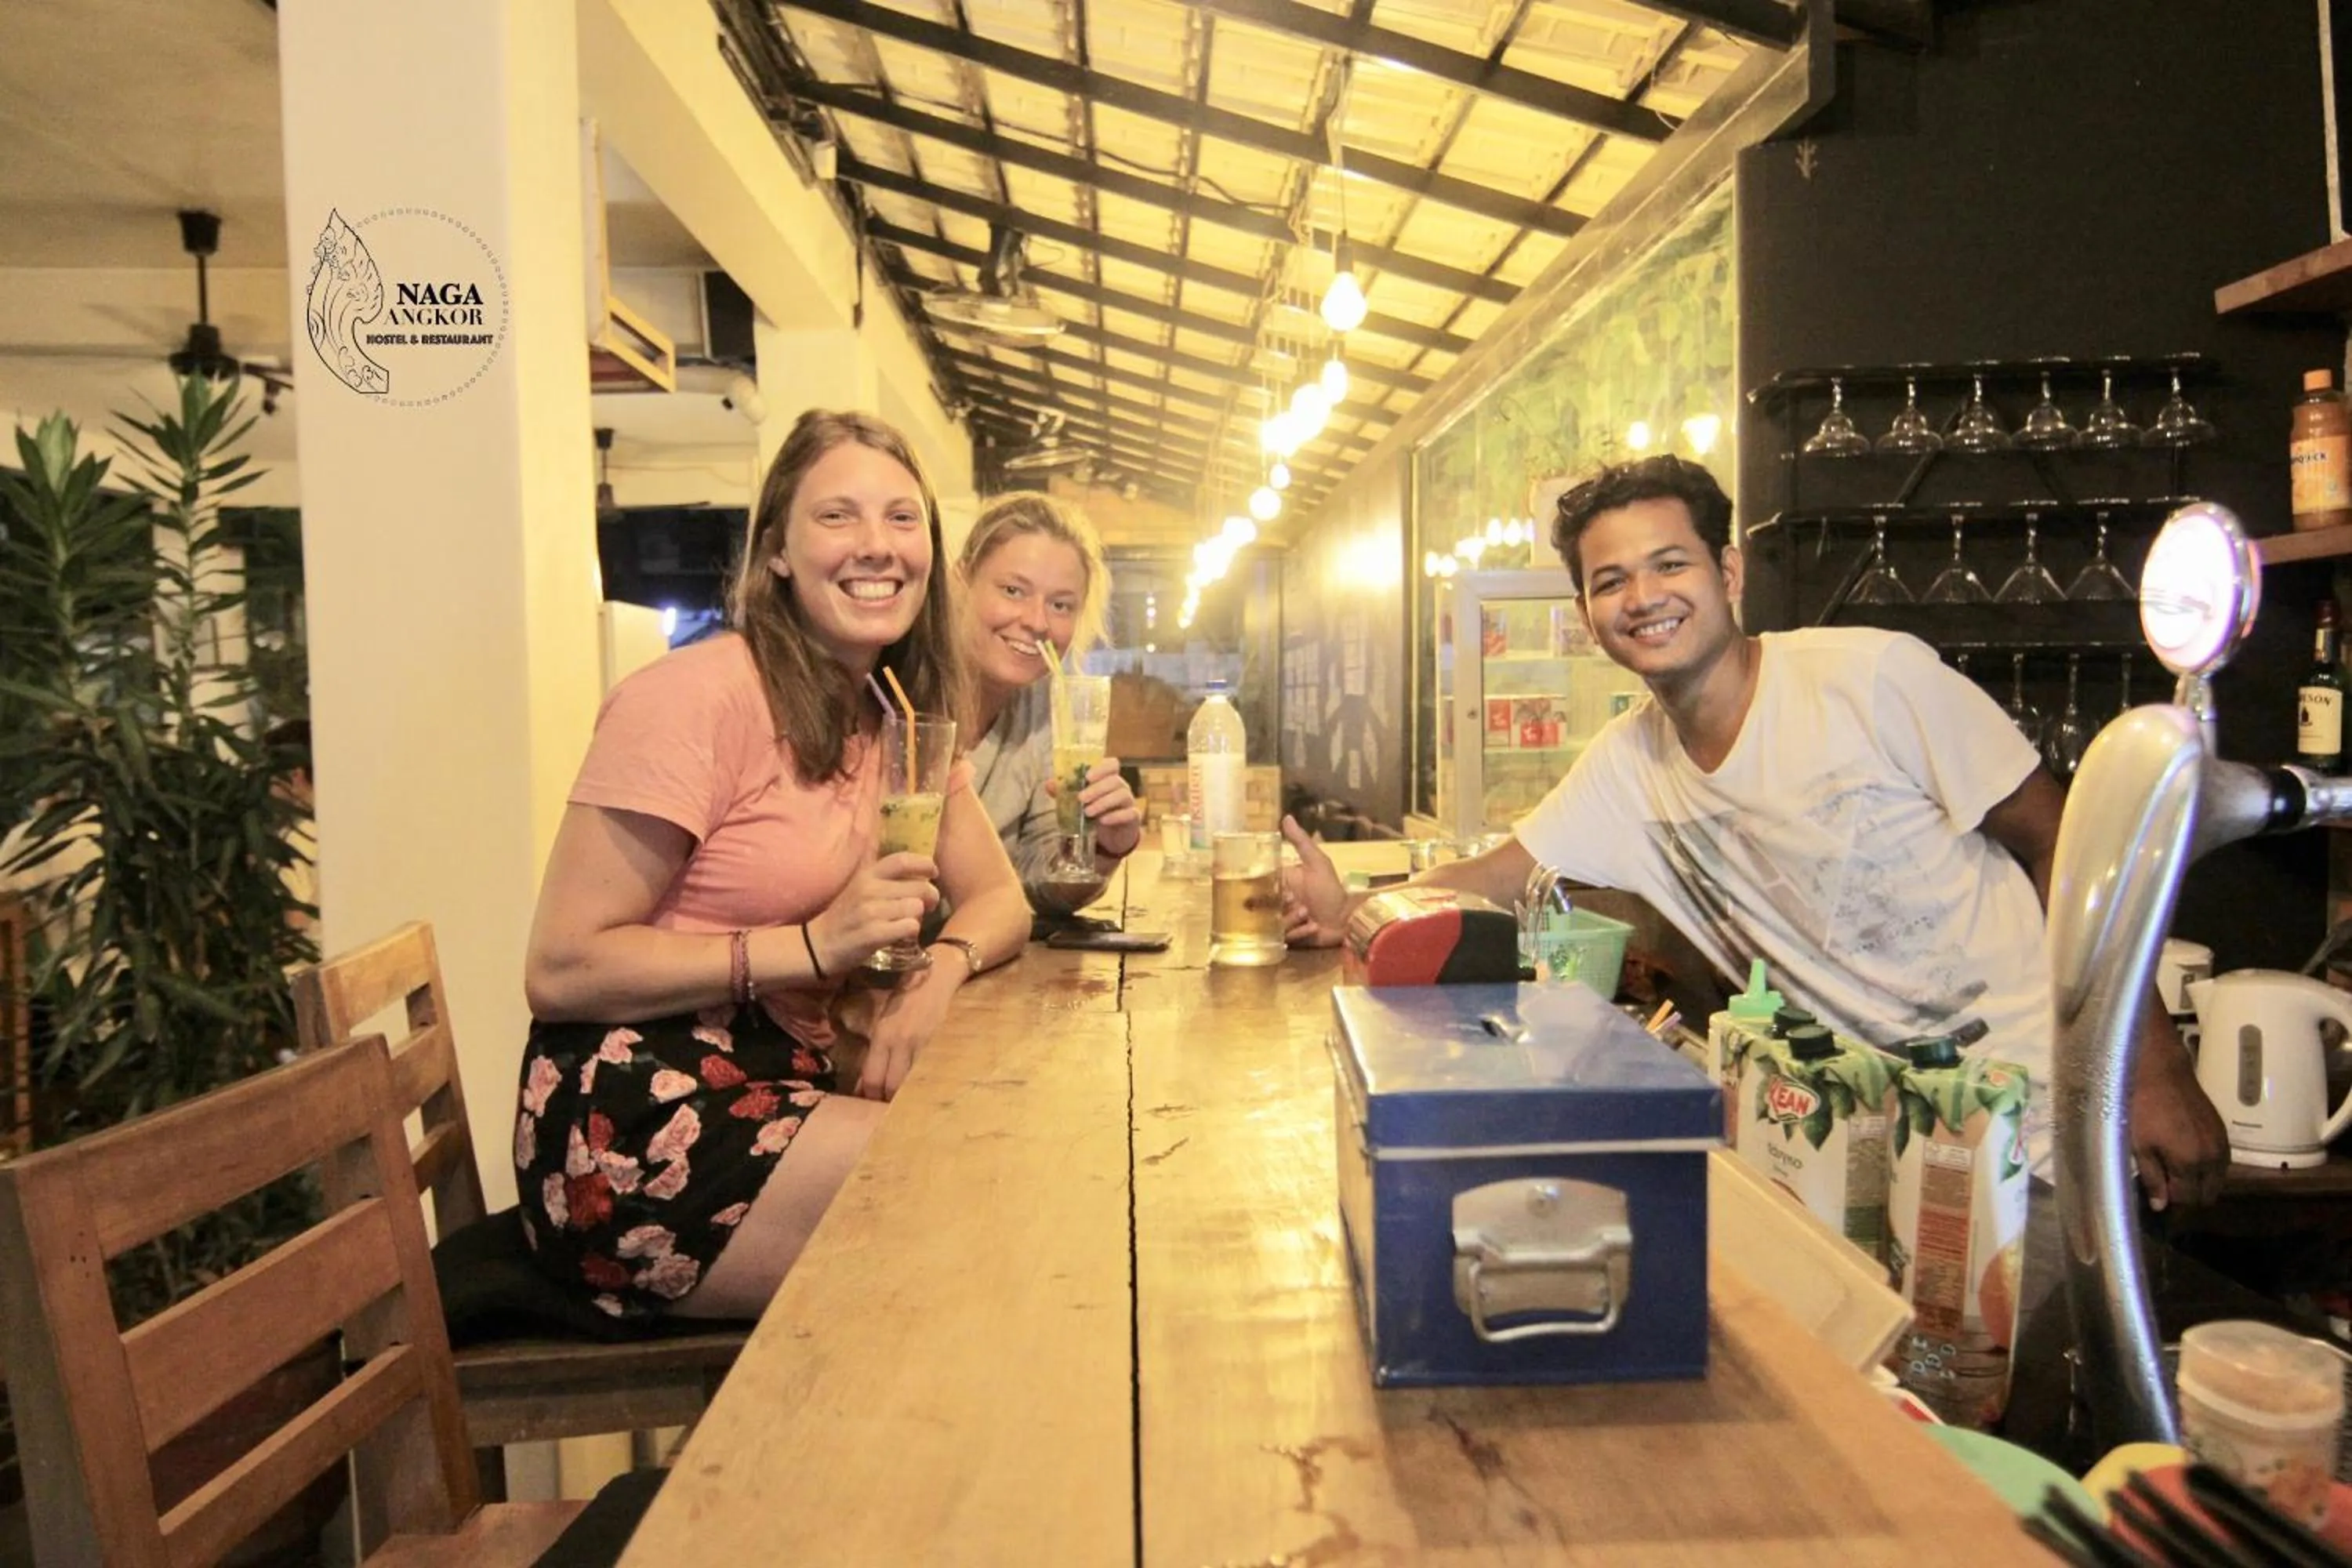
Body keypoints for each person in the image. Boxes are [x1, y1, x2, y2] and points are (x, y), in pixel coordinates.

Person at [1283, 454, 2227, 1212]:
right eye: (1610, 580)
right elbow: (1496, 873)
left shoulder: (1872, 679)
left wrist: (2149, 1064)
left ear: (1727, 572)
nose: (1643, 595)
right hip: (1878, 1141)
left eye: (1669, 563)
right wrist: (1355, 911)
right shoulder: (1628, 764)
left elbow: (2067, 841)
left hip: (2045, 1118)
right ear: (1585, 617)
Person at [515, 408, 1032, 1323]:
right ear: (778, 552)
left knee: (1014, 1157)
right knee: (981, 1190)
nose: (877, 545)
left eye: (903, 519)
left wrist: (940, 971)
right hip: (634, 1118)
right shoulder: (692, 698)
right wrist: (811, 944)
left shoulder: (892, 714)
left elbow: (1000, 897)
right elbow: (559, 967)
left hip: (784, 1082)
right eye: (838, 516)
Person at [954, 492, 1142, 906]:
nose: (1037, 622)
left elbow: (1039, 885)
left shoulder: (1043, 703)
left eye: (1060, 605)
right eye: (1013, 590)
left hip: (981, 955)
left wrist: (1104, 848)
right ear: (962, 580)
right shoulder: (902, 698)